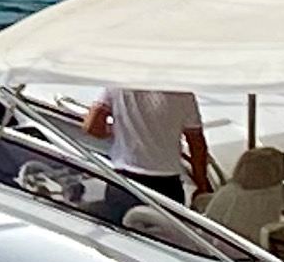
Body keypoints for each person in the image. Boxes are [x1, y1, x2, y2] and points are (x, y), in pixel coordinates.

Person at [85, 87, 214, 205]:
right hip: (167, 186)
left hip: (124, 183)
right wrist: (202, 185)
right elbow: (197, 145)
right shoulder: (183, 95)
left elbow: (91, 126)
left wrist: (115, 132)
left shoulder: (117, 87)